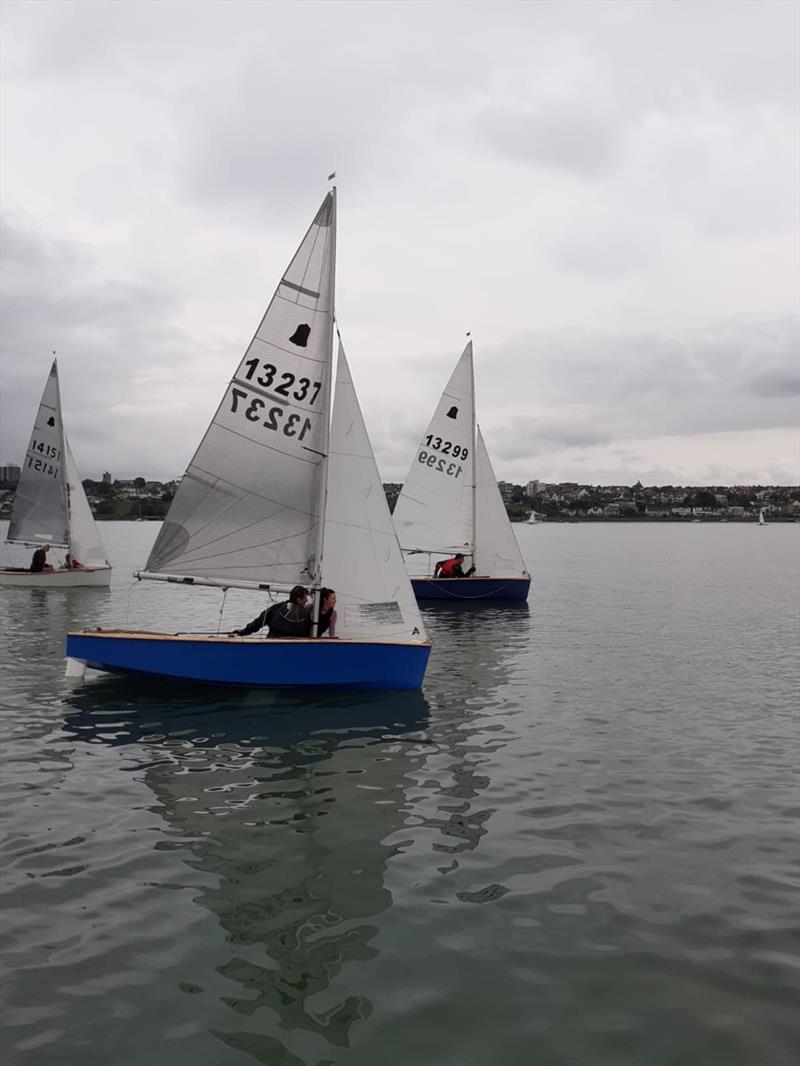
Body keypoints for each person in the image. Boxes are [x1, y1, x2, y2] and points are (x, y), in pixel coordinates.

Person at [232, 585, 312, 638]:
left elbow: (260, 621)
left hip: (272, 644)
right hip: (296, 649)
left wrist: (244, 631)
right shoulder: (306, 614)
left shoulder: (277, 607)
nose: (307, 600)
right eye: (305, 598)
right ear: (299, 600)